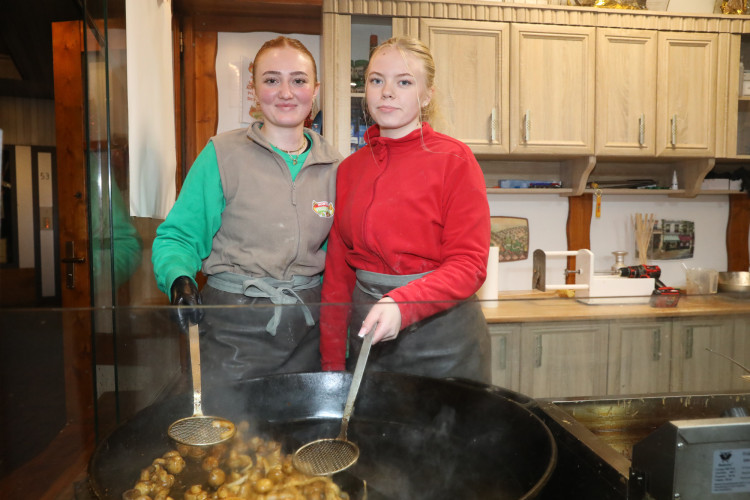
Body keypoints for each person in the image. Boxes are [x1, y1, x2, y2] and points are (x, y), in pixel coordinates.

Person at [152, 36, 341, 386]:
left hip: (309, 327)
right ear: (254, 90)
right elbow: (178, 236)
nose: (286, 92)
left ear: (314, 90)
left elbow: (341, 256)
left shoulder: (336, 166)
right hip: (233, 326)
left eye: (298, 80)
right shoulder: (221, 154)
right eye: (272, 80)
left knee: (299, 431)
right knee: (235, 434)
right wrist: (179, 277)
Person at [320, 36, 492, 383]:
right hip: (372, 340)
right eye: (376, 80)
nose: (387, 92)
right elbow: (338, 277)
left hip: (447, 343)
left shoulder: (455, 160)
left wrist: (403, 303)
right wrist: (332, 367)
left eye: (404, 82)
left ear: (427, 95)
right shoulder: (349, 170)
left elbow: (469, 265)